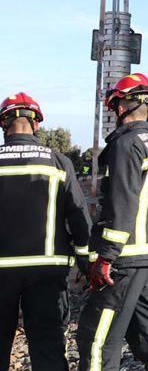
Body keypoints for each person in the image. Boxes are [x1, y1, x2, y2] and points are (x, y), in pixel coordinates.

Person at [76, 74, 148, 371]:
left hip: (124, 262)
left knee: (96, 340)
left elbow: (123, 203)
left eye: (115, 106)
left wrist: (106, 256)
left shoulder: (125, 145)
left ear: (122, 106)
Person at [0, 92, 91, 370]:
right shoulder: (58, 162)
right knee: (48, 346)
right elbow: (78, 214)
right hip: (47, 271)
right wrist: (87, 262)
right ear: (36, 125)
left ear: (4, 125)